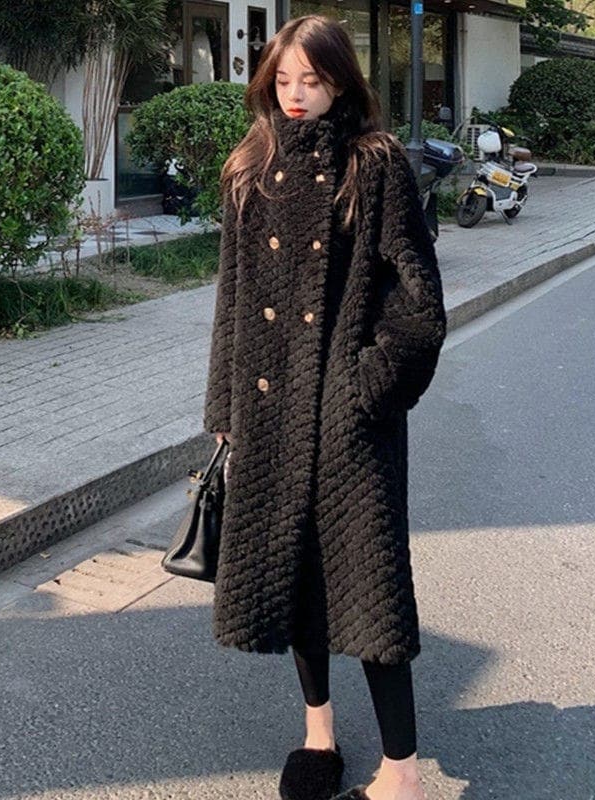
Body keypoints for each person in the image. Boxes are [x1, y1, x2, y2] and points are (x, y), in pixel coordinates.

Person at [202, 14, 447, 800]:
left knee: (372, 589)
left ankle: (401, 770)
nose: (295, 94)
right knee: (293, 578)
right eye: (283, 79)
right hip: (271, 413)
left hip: (349, 422)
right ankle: (318, 732)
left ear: (340, 80)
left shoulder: (375, 164)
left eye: (311, 79)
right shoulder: (251, 165)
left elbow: (418, 303)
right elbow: (232, 299)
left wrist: (363, 390)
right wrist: (225, 407)